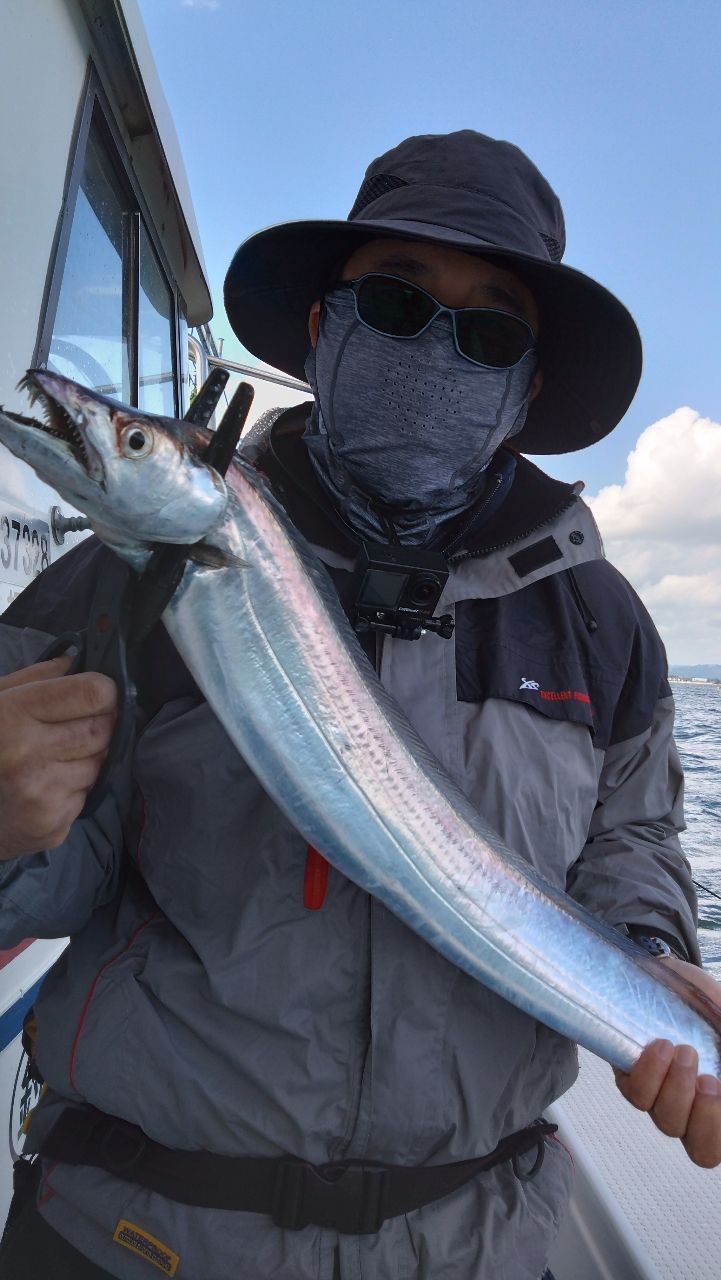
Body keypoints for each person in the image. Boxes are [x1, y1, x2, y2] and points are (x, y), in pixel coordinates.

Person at [0, 129, 719, 1280]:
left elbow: (629, 836)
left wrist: (651, 962)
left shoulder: (597, 617)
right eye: (393, 302)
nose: (437, 350)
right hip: (129, 1236)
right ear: (322, 327)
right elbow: (40, 889)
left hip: (478, 1242)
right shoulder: (110, 586)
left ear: (525, 386)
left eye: (487, 330)